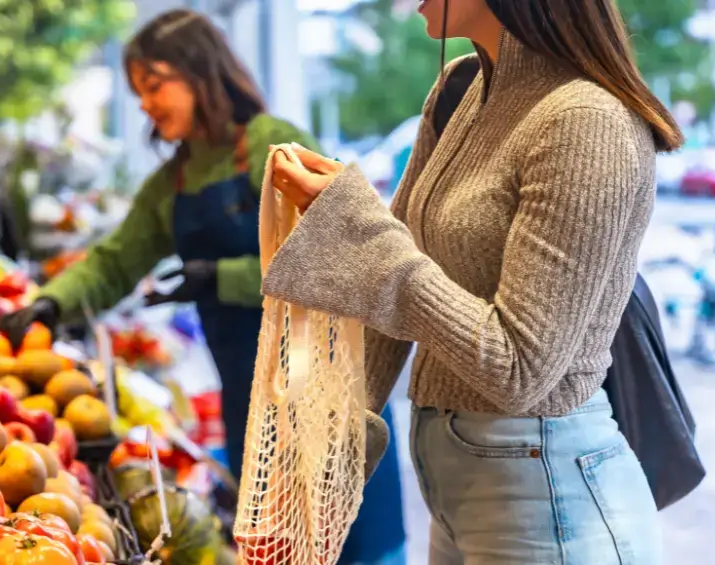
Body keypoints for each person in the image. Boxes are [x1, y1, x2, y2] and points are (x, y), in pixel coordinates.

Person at [263, 0, 682, 563]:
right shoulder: (462, 88)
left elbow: (520, 370)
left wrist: (359, 228)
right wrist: (337, 441)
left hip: (547, 492)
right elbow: (399, 269)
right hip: (461, 487)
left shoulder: (587, 121)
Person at [0, 9, 407, 564]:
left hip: (328, 388)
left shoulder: (275, 144)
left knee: (352, 541)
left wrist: (220, 278)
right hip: (249, 392)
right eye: (138, 91)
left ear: (199, 72)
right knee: (279, 543)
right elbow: (116, 259)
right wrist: (50, 301)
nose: (145, 103)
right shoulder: (175, 181)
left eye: (154, 85)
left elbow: (338, 253)